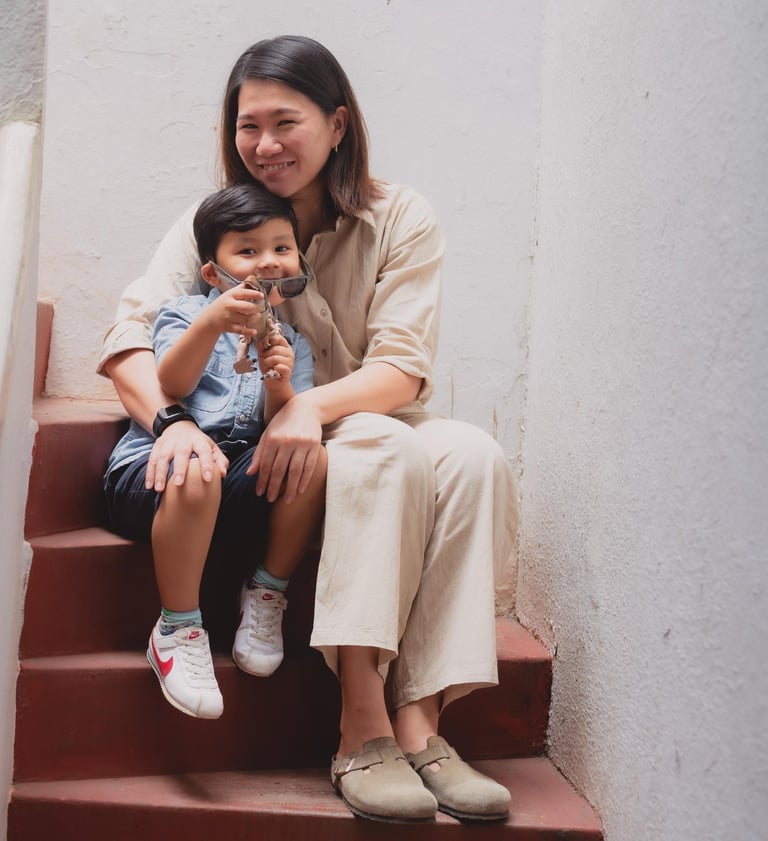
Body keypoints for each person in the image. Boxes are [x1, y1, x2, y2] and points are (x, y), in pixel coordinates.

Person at [98, 35, 518, 823]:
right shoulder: (216, 221)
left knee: (475, 456)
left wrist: (303, 407)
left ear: (338, 124)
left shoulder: (400, 216)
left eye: (285, 122)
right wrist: (172, 421)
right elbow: (128, 342)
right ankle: (362, 721)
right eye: (247, 125)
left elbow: (401, 369)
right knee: (386, 449)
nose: (265, 145)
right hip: (291, 437)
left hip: (347, 409)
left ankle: (422, 719)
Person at [103, 182, 327, 720]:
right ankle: (177, 628)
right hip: (154, 474)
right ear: (212, 272)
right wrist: (210, 324)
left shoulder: (293, 342)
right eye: (248, 250)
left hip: (231, 482)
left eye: (281, 247)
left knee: (312, 457)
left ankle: (267, 591)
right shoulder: (183, 314)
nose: (268, 261)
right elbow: (172, 384)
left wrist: (279, 382)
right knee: (197, 465)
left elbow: (280, 426)